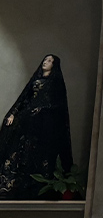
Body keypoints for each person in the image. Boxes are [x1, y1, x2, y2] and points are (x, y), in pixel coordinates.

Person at [0, 55, 72, 200]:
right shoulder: (35, 80)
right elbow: (24, 98)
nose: (46, 62)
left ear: (55, 65)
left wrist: (41, 110)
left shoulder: (56, 83)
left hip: (42, 126)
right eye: (46, 59)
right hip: (27, 123)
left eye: (51, 61)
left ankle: (33, 188)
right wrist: (13, 114)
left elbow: (58, 105)